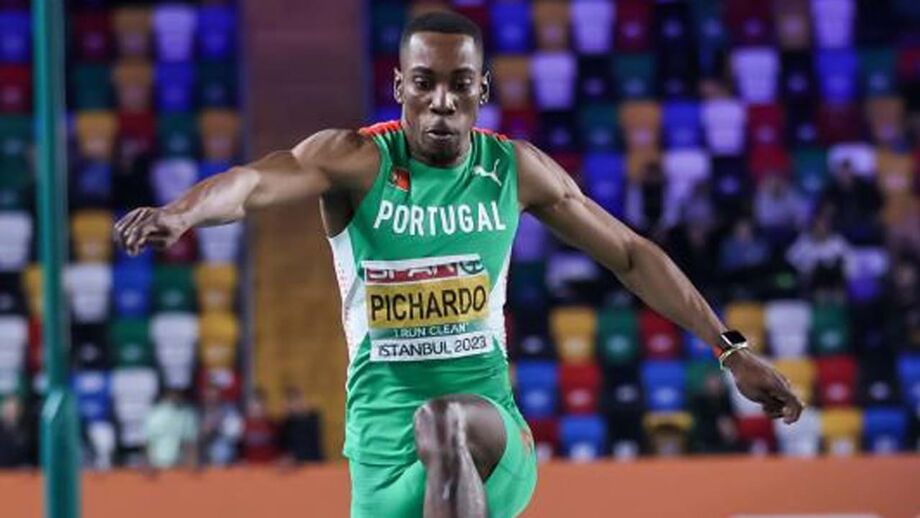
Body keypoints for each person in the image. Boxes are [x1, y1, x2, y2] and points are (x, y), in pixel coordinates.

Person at [114, 11, 804, 517]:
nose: (441, 101)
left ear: (483, 90)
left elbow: (629, 253)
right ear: (399, 86)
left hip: (492, 442)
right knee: (426, 429)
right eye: (424, 83)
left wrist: (729, 349)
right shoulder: (354, 161)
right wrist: (182, 213)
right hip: (383, 469)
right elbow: (253, 183)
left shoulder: (513, 170)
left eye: (459, 84)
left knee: (443, 418)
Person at [143, 389, 199, 470]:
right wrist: (147, 464)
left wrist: (191, 465)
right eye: (173, 392)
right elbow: (148, 443)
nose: (175, 396)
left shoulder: (188, 414)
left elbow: (190, 444)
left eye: (178, 393)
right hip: (157, 466)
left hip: (180, 467)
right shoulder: (154, 413)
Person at [199, 384, 243, 466]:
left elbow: (236, 435)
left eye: (214, 397)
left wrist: (219, 425)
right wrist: (204, 432)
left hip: (225, 461)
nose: (212, 400)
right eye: (209, 397)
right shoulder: (199, 412)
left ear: (219, 396)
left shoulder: (230, 410)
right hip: (205, 462)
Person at [278, 386, 323, 465]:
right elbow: (285, 449)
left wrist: (293, 458)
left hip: (312, 463)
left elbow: (310, 447)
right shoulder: (287, 423)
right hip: (294, 466)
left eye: (292, 401)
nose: (288, 406)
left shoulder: (311, 420)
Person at [241, 388, 279, 464]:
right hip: (249, 466)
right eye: (254, 408)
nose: (257, 411)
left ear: (264, 408)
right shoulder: (243, 425)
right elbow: (239, 449)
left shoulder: (273, 425)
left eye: (259, 408)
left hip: (269, 465)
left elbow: (279, 447)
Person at [0, 395, 31, 468]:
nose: (10, 413)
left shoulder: (24, 431)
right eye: (8, 410)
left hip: (18, 472)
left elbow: (26, 455)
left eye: (13, 410)